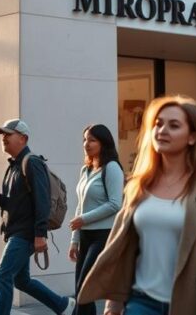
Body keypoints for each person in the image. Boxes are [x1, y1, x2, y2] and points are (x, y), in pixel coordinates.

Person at [79, 96, 196, 315]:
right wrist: (113, 304)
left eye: (174, 125)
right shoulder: (139, 183)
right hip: (141, 302)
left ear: (192, 137)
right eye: (158, 123)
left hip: (193, 303)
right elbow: (123, 247)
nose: (162, 130)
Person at [0, 119, 76, 315]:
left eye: (7, 134)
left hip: (25, 233)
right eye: (2, 135)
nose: (3, 138)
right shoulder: (13, 167)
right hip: (16, 231)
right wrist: (0, 200)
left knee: (3, 275)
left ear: (23, 138)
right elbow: (19, 203)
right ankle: (63, 305)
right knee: (21, 280)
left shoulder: (32, 163)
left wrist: (40, 234)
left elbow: (42, 201)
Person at [69, 124, 124, 315]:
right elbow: (80, 204)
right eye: (85, 139)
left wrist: (84, 219)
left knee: (85, 289)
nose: (86, 144)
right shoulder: (86, 170)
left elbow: (115, 204)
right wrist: (74, 240)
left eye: (92, 140)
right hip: (85, 236)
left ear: (104, 142)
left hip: (104, 235)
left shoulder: (112, 168)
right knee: (80, 291)